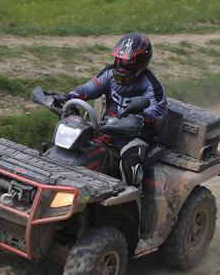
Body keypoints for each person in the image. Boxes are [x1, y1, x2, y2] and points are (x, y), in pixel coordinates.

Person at [58, 33, 167, 186]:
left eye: (129, 61)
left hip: (135, 137)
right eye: (119, 59)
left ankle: (134, 202)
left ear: (141, 61)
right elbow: (88, 89)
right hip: (105, 128)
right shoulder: (108, 73)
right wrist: (68, 97)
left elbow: (158, 114)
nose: (122, 65)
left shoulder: (151, 85)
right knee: (72, 146)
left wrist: (140, 119)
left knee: (130, 164)